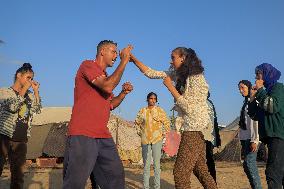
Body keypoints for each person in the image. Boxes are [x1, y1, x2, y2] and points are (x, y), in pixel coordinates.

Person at [131, 47, 217, 189]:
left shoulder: (196, 78)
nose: (171, 61)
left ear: (183, 58)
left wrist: (170, 87)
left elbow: (189, 108)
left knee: (180, 174)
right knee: (200, 169)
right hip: (190, 128)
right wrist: (132, 59)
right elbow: (152, 73)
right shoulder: (180, 75)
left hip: (195, 129)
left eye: (173, 57)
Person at [63, 40, 134, 189]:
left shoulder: (105, 76)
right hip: (83, 134)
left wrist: (123, 93)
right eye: (113, 51)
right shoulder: (88, 65)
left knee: (115, 176)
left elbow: (110, 105)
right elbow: (107, 85)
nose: (116, 55)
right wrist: (125, 61)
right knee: (75, 183)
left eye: (117, 52)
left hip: (102, 135)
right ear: (102, 51)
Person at [0, 63, 41, 189]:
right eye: (28, 78)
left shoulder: (29, 95)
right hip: (4, 136)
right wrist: (23, 90)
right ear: (19, 75)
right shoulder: (4, 92)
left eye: (31, 78)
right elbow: (13, 107)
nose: (30, 81)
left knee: (18, 176)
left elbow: (37, 109)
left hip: (21, 139)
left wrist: (35, 92)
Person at [250, 63, 284, 189]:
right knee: (280, 173)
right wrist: (252, 99)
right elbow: (255, 115)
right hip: (271, 137)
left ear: (267, 74)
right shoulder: (266, 92)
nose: (256, 78)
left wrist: (260, 91)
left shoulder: (278, 88)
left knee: (273, 173)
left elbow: (272, 106)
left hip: (278, 136)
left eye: (258, 75)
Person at [134, 92, 170, 189]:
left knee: (157, 165)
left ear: (156, 100)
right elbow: (136, 123)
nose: (153, 100)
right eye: (151, 98)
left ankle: (157, 187)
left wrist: (163, 134)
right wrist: (140, 133)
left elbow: (166, 122)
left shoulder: (160, 111)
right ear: (147, 99)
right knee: (146, 165)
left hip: (157, 140)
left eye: (154, 99)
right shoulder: (142, 111)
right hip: (145, 140)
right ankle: (146, 187)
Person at [238, 80, 262, 189]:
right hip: (245, 138)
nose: (241, 90)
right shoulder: (245, 103)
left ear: (248, 87)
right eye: (239, 88)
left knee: (250, 163)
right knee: (246, 166)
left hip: (252, 139)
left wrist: (255, 140)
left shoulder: (254, 101)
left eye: (243, 88)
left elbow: (255, 122)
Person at [206, 92, 221, 182]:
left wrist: (218, 139)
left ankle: (213, 183)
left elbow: (215, 122)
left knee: (210, 160)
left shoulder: (211, 104)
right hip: (200, 137)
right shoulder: (198, 103)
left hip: (210, 137)